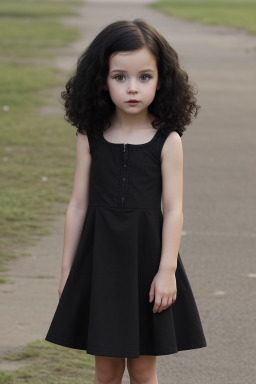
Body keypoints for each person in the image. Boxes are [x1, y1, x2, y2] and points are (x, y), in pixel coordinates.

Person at [45, 19, 207, 384]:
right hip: (99, 260)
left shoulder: (168, 140)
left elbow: (175, 209)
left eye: (144, 77)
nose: (132, 88)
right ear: (101, 80)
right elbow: (77, 205)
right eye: (120, 77)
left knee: (144, 370)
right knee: (105, 370)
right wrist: (67, 269)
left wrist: (166, 271)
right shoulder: (90, 135)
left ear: (161, 79)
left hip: (147, 262)